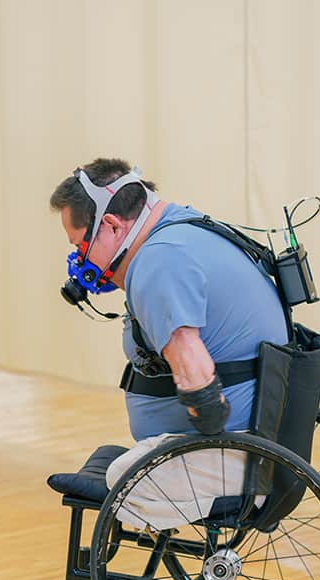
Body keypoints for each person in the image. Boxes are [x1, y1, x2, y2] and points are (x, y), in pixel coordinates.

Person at [49, 158, 288, 526]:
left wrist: (167, 443)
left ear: (111, 226)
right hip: (257, 438)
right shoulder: (181, 228)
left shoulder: (159, 260)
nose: (79, 260)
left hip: (235, 454)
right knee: (127, 467)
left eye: (80, 245)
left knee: (122, 479)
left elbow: (203, 391)